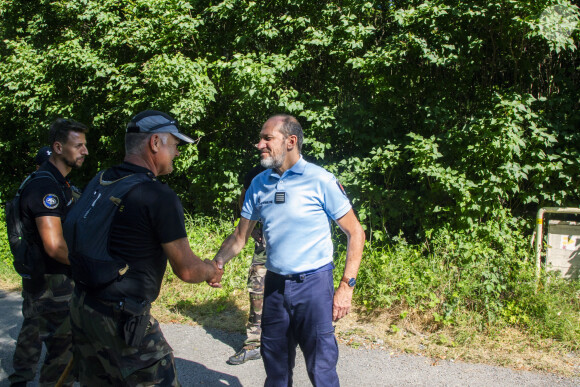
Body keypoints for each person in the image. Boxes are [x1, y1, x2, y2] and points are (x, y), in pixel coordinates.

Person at [69, 110, 223, 386]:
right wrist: (211, 270)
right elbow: (187, 269)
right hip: (122, 319)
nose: (177, 153)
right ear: (155, 143)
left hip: (83, 306)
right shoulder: (158, 195)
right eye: (175, 145)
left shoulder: (103, 179)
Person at [213, 114, 365, 386]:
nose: (259, 144)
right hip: (274, 287)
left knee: (321, 368)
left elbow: (355, 232)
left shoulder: (320, 180)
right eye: (260, 138)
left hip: (314, 285)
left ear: (291, 141)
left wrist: (346, 287)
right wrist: (218, 262)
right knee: (276, 367)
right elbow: (239, 237)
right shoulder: (259, 184)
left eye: (267, 138)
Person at [9, 119, 89, 387]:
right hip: (51, 283)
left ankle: (20, 380)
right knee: (62, 354)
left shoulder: (59, 183)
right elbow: (54, 245)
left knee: (37, 335)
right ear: (58, 147)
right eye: (78, 145)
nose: (85, 151)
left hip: (48, 280)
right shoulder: (45, 187)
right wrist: (87, 268)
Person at [228, 164, 267, 365]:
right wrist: (251, 229)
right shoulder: (255, 174)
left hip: (294, 248)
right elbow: (244, 199)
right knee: (257, 288)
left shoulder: (299, 171)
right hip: (264, 244)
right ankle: (253, 344)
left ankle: (292, 339)